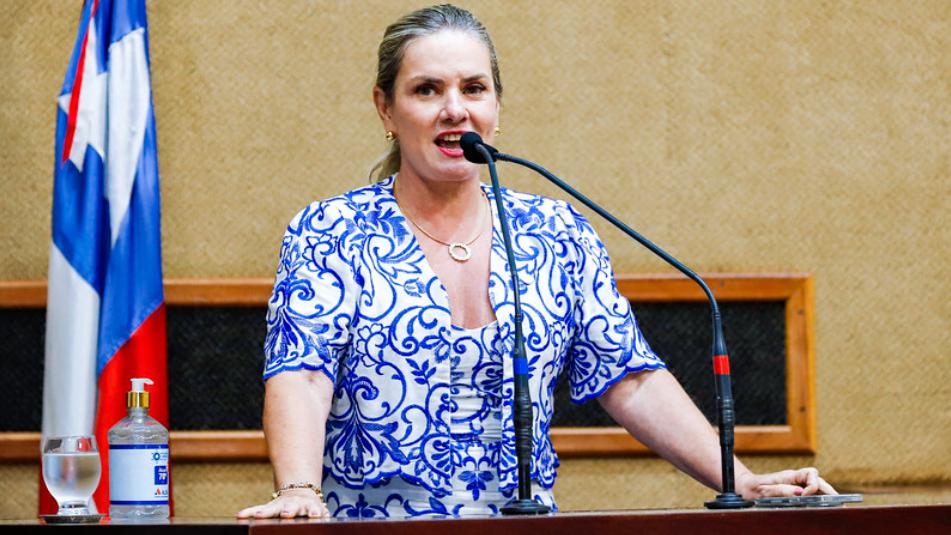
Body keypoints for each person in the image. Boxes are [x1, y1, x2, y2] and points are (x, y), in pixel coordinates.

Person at [237, 4, 836, 520]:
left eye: (474, 88)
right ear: (386, 110)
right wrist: (298, 489)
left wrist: (741, 481)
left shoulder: (555, 233)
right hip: (372, 529)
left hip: (524, 527)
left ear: (496, 105)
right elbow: (303, 374)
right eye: (427, 90)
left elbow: (629, 378)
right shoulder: (332, 231)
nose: (454, 109)